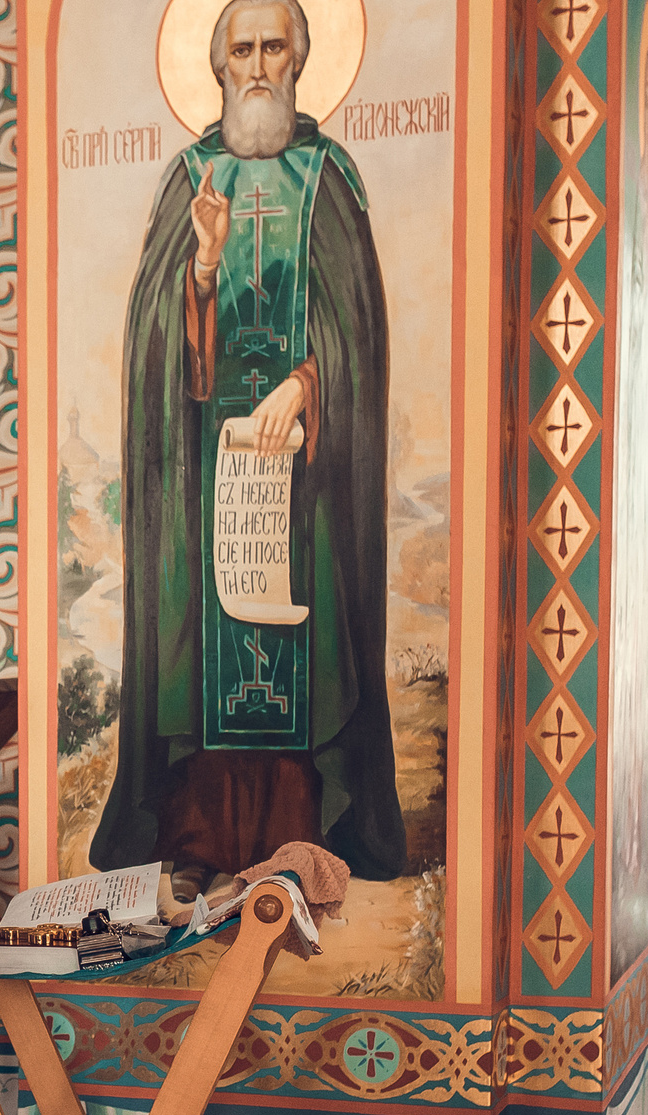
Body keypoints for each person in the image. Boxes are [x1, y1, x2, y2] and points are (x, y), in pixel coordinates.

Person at [94, 0, 404, 893]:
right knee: (203, 642)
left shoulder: (329, 178)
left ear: (301, 61)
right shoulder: (190, 177)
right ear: (219, 65)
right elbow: (156, 342)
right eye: (243, 48)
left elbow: (359, 338)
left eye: (276, 46)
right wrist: (199, 266)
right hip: (205, 469)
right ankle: (197, 844)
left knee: (301, 645)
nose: (259, 64)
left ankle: (299, 841)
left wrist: (306, 388)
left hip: (303, 471)